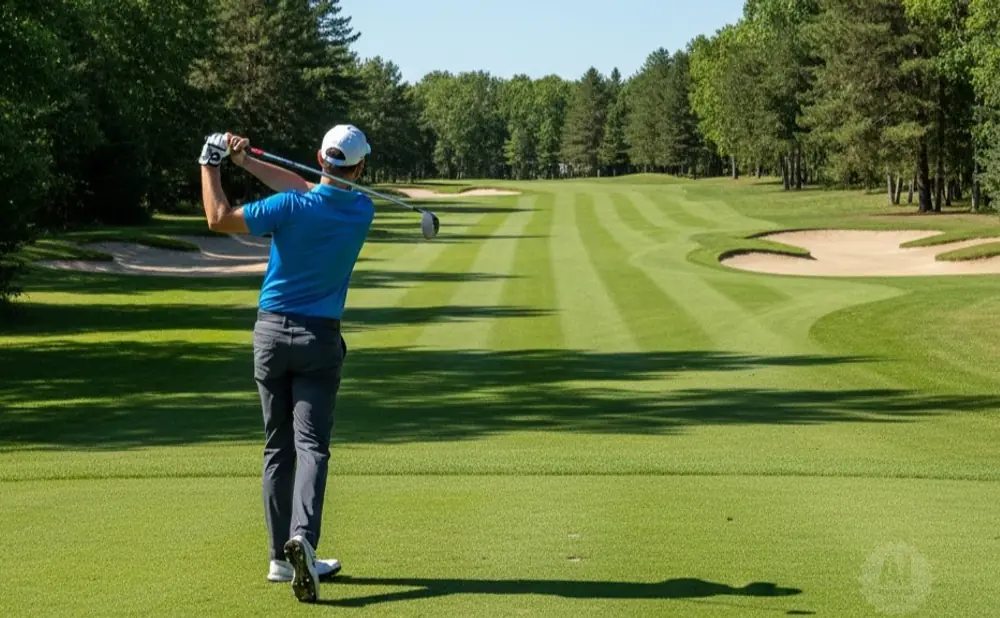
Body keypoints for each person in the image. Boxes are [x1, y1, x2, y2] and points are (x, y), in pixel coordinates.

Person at [197, 125, 376, 603]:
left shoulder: (288, 208)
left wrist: (211, 163)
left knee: (279, 448)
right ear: (360, 169)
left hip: (272, 335)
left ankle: (280, 557)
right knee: (312, 447)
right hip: (320, 339)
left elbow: (218, 217)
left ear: (319, 156)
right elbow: (308, 189)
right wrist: (247, 162)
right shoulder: (363, 209)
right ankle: (303, 539)